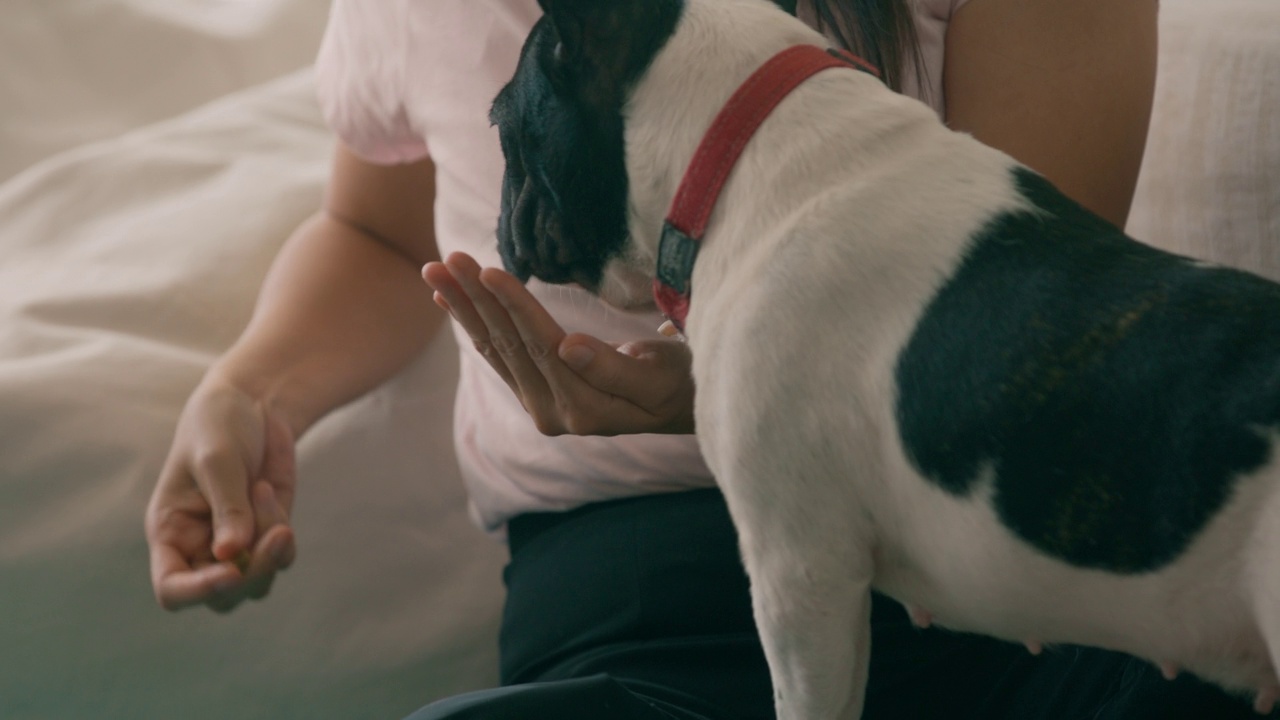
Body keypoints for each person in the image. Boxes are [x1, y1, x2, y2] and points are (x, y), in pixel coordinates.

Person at [144, 0, 1260, 718]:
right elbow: (380, 236)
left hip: (1021, 580)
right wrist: (248, 390)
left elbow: (1012, 311)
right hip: (634, 610)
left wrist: (726, 381)